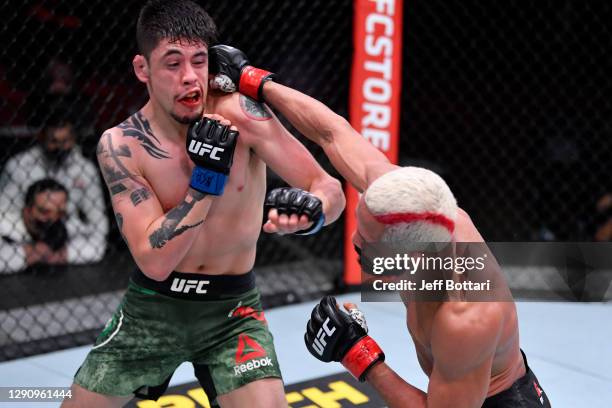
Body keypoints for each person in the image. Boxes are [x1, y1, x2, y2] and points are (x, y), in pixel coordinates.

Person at [209, 45, 551, 407]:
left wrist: (359, 355)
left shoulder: (466, 314)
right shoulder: (403, 203)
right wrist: (254, 80)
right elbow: (331, 133)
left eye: (365, 249)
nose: (355, 243)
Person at [62, 1, 344, 407]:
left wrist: (312, 213)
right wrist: (206, 181)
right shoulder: (123, 145)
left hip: (232, 312)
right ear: (143, 69)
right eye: (172, 63)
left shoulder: (241, 115)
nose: (191, 77)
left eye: (199, 61)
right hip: (153, 309)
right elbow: (154, 261)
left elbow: (328, 188)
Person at [0, 109, 108, 265]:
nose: (60, 148)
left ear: (74, 139)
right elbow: (2, 212)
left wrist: (63, 254)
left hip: (65, 232)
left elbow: (98, 221)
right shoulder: (18, 166)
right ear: (41, 137)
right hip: (24, 232)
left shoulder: (85, 169)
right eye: (54, 141)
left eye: (65, 141)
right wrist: (28, 251)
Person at [0, 178, 69, 273]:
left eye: (59, 212)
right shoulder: (4, 225)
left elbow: (94, 240)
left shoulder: (64, 222)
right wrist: (30, 253)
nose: (53, 219)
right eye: (45, 212)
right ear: (27, 210)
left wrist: (65, 254)